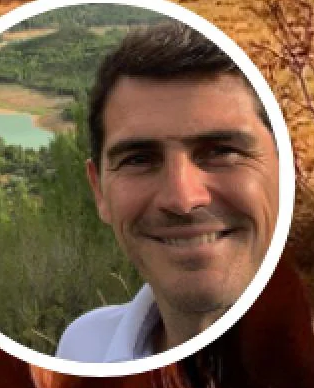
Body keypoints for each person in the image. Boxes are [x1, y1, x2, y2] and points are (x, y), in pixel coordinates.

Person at [56, 20, 279, 362]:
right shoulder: (86, 347)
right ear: (99, 191)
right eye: (139, 159)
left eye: (221, 152)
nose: (183, 199)